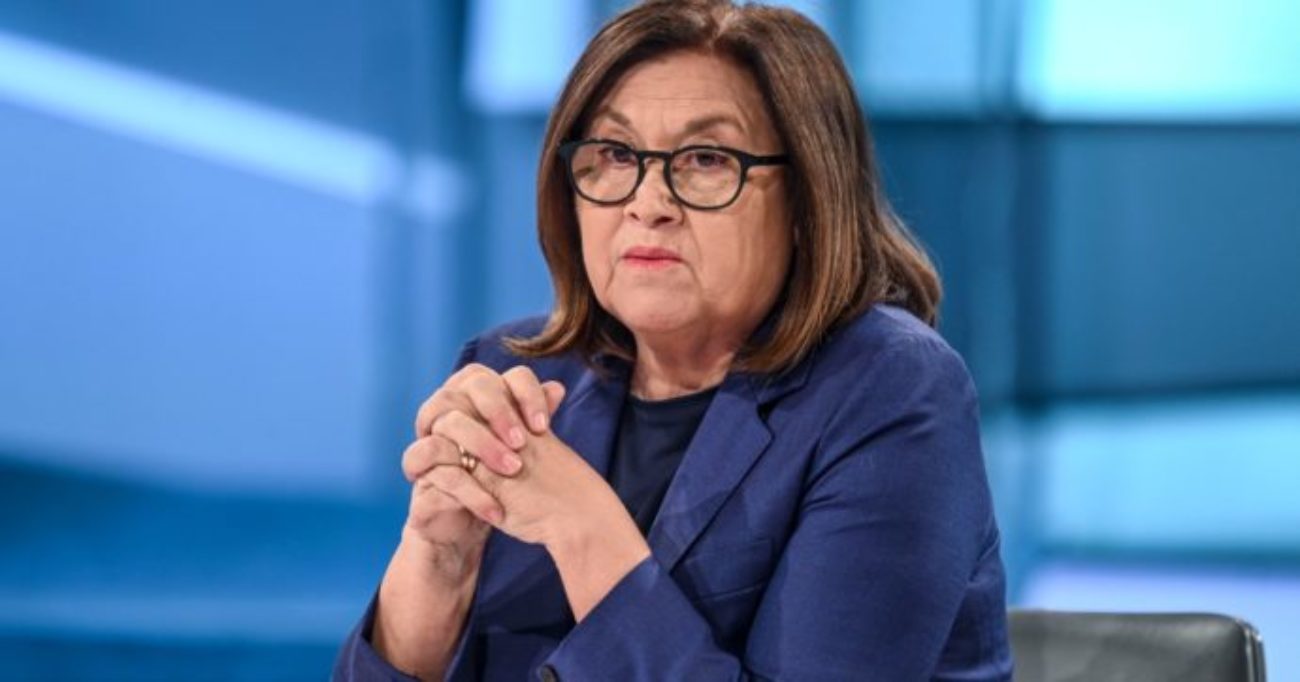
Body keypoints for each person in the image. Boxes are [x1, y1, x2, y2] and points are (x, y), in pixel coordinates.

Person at [334, 0, 1012, 679]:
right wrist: (439, 562)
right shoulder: (516, 375)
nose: (648, 202)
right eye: (614, 154)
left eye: (706, 159)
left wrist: (582, 528)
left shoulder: (889, 391)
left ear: (810, 199)